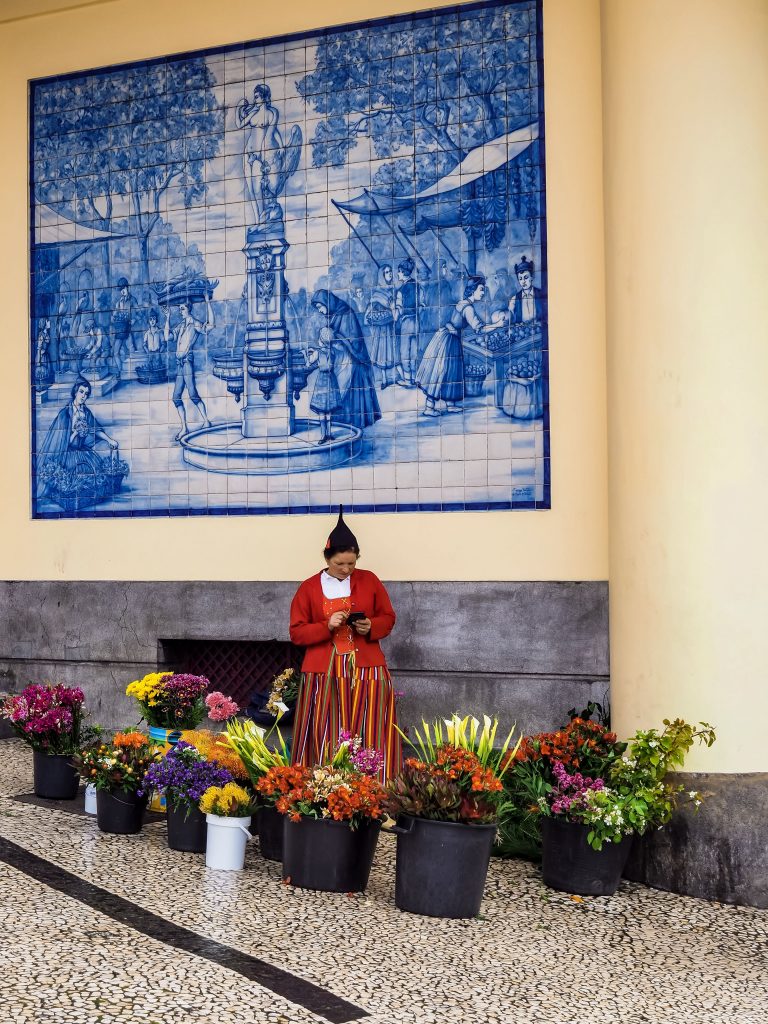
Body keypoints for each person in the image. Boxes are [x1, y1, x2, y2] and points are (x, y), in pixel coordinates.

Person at [289, 507, 401, 783]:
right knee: (325, 728)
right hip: (323, 672)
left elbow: (388, 617)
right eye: (340, 563)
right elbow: (297, 633)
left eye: (351, 563)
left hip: (367, 668)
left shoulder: (370, 580)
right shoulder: (309, 588)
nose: (347, 569)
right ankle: (322, 786)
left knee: (372, 725)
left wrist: (370, 626)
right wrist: (326, 626)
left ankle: (375, 788)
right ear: (327, 558)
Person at [415, 275, 496, 416]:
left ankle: (450, 404)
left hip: (449, 337)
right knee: (440, 371)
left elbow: (451, 321)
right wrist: (497, 325)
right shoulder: (468, 308)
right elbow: (479, 328)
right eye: (481, 289)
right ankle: (429, 407)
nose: (483, 292)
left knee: (451, 372)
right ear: (473, 290)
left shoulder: (463, 303)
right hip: (449, 341)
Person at [37, 377, 121, 506]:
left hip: (83, 452)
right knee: (71, 479)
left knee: (94, 476)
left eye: (86, 394)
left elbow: (95, 428)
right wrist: (76, 431)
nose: (83, 396)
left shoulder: (86, 412)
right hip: (68, 454)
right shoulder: (65, 414)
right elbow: (66, 442)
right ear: (75, 392)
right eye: (81, 392)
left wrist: (109, 440)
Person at [311, 289, 381, 430]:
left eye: (320, 307)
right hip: (340, 359)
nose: (320, 311)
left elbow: (354, 340)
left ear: (327, 302)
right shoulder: (334, 315)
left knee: (350, 387)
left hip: (353, 360)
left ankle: (354, 421)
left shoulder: (346, 313)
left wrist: (336, 338)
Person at [163, 295, 214, 441]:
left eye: (182, 308)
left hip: (186, 363)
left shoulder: (195, 324)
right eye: (179, 309)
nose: (180, 311)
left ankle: (206, 421)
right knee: (176, 397)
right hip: (180, 365)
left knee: (192, 394)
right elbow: (167, 337)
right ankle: (184, 427)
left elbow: (210, 326)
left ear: (188, 309)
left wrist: (208, 302)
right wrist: (167, 318)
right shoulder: (181, 325)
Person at [365, 265, 398, 389]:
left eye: (390, 272)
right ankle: (384, 379)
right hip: (380, 328)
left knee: (393, 351)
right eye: (387, 272)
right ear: (382, 276)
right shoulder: (377, 293)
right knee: (382, 353)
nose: (390, 274)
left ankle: (395, 377)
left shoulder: (392, 290)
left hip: (390, 327)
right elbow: (369, 313)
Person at [308, 326, 342, 443]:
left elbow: (309, 363)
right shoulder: (332, 351)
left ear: (321, 339)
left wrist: (305, 354)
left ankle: (323, 436)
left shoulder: (317, 352)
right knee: (329, 410)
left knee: (322, 410)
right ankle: (329, 433)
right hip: (331, 380)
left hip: (322, 380)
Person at [395, 257, 420, 387]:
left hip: (406, 322)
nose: (397, 274)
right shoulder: (417, 285)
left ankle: (407, 380)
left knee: (405, 351)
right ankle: (415, 378)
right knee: (414, 351)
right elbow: (422, 303)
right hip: (416, 321)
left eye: (398, 272)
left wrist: (394, 312)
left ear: (403, 272)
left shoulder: (401, 291)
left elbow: (398, 310)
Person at [508, 255, 545, 323]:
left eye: (526, 277)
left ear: (532, 277)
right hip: (522, 332)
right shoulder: (515, 299)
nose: (523, 281)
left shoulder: (541, 294)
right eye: (520, 279)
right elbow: (510, 319)